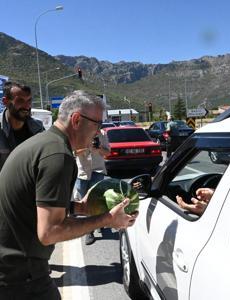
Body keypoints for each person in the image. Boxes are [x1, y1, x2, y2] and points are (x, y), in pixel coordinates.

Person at [0, 90, 138, 299]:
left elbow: (31, 202)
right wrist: (106, 219)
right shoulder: (58, 156)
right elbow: (49, 232)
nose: (99, 131)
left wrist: (79, 208)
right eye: (97, 124)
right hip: (19, 276)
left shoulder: (43, 143)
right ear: (76, 119)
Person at [74, 128, 111, 245]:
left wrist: (99, 148)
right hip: (82, 172)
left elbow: (107, 152)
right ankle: (94, 224)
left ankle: (89, 231)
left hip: (98, 171)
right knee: (82, 202)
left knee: (95, 201)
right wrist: (87, 146)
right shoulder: (78, 133)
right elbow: (73, 152)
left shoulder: (103, 134)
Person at [0, 81, 44, 171]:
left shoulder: (38, 129)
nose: (27, 106)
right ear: (5, 102)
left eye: (29, 100)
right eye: (20, 101)